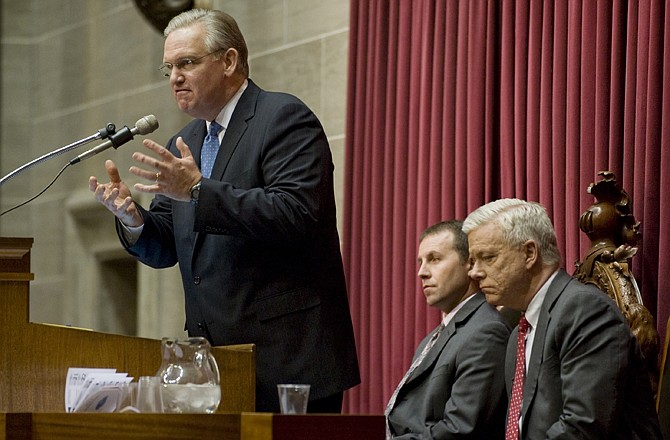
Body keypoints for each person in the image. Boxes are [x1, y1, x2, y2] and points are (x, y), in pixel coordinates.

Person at [88, 8, 360, 413]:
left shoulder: (283, 118)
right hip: (214, 368)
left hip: (286, 361)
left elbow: (296, 214)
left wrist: (198, 191)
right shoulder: (187, 139)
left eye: (187, 63)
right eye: (169, 69)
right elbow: (166, 246)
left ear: (229, 61)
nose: (175, 77)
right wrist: (133, 220)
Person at [462, 198, 662, 440]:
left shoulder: (585, 310)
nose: (474, 272)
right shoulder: (519, 332)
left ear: (529, 253)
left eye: (488, 257)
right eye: (473, 261)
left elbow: (583, 428)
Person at [385, 220, 510, 439]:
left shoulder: (486, 332)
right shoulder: (435, 336)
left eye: (434, 259)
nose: (422, 272)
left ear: (470, 264)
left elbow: (460, 429)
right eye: (420, 262)